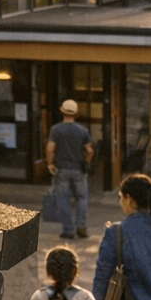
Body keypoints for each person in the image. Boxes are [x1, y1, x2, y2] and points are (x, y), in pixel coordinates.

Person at [45, 98, 94, 238]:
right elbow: (89, 150)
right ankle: (81, 226)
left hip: (62, 169)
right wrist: (86, 162)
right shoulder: (82, 130)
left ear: (62, 111)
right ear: (76, 113)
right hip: (79, 169)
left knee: (63, 199)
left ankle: (68, 230)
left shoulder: (56, 129)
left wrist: (50, 164)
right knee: (82, 198)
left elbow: (50, 149)